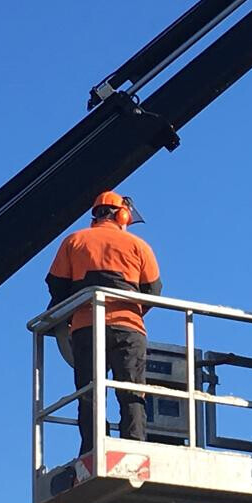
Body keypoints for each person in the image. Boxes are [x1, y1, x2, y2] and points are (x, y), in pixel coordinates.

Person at [46, 191, 162, 455]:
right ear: (122, 214)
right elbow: (153, 290)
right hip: (129, 328)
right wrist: (133, 311)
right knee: (131, 391)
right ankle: (133, 447)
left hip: (86, 328)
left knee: (90, 391)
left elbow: (57, 285)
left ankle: (92, 447)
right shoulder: (139, 246)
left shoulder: (73, 241)